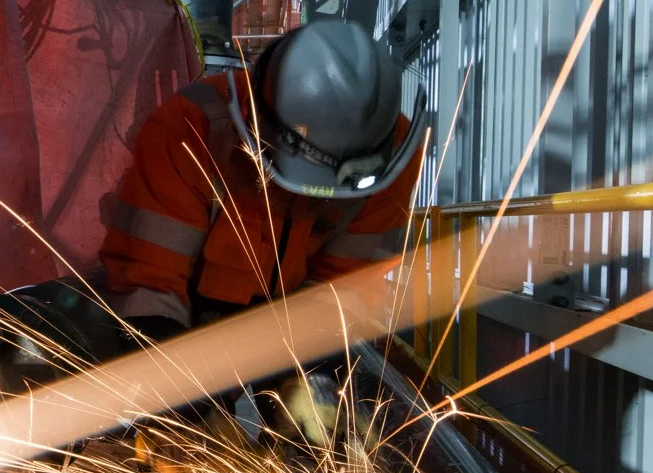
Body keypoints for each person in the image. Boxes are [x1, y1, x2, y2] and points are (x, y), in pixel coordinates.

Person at [100, 18, 425, 337]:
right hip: (186, 318)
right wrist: (173, 372)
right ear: (260, 127)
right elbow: (149, 282)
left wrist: (312, 368)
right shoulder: (189, 129)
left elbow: (349, 285)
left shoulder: (392, 157)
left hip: (298, 324)